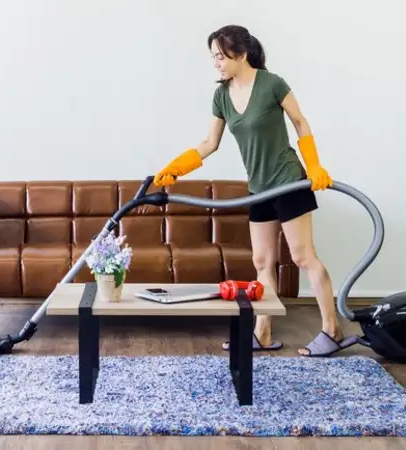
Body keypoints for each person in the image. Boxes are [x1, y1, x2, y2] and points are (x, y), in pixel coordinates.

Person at [153, 25, 359, 357]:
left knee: (303, 257)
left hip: (289, 180)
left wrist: (315, 165)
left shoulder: (272, 84)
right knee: (262, 260)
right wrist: (175, 167)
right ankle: (261, 334)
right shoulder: (221, 95)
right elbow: (210, 143)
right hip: (258, 188)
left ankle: (332, 330)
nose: (216, 63)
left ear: (241, 53)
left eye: (220, 56)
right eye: (214, 57)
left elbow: (300, 122)